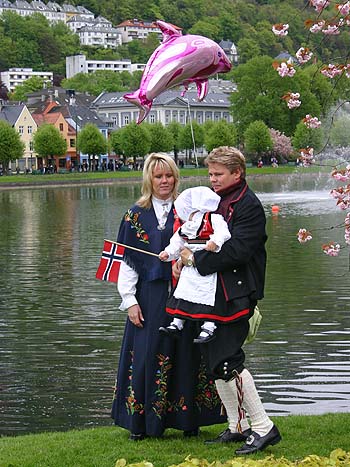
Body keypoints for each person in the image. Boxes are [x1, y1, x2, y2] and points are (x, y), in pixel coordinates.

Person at [111, 153, 226, 440]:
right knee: (149, 354)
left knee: (186, 352)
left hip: (187, 293)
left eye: (169, 175)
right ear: (148, 179)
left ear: (176, 178)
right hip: (149, 294)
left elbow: (209, 243)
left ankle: (189, 419)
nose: (164, 181)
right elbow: (128, 260)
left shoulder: (190, 212)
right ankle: (143, 423)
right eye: (158, 176)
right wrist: (130, 301)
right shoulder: (135, 215)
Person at [178, 147, 281, 455]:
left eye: (218, 174)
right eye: (210, 174)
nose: (213, 180)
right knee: (214, 361)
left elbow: (239, 251)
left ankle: (263, 427)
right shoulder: (214, 202)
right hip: (210, 293)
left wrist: (195, 260)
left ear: (237, 173)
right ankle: (238, 426)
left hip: (236, 293)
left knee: (227, 358)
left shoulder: (248, 205)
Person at [158, 186, 231, 344]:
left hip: (206, 261)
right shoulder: (187, 226)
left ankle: (209, 327)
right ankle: (177, 324)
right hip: (189, 267)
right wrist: (168, 253)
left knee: (208, 296)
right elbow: (177, 242)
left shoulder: (214, 219)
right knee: (183, 292)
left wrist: (215, 242)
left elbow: (224, 232)